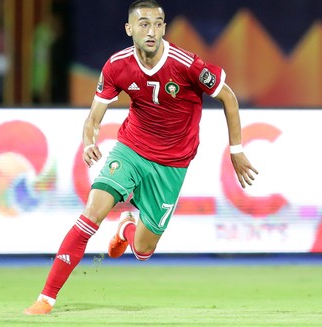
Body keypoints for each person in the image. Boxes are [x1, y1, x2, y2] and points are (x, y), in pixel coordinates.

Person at [24, 0, 258, 315]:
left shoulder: (187, 64)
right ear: (129, 28)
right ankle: (46, 298)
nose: (152, 31)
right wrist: (88, 141)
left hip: (172, 163)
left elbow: (228, 96)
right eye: (144, 24)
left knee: (143, 250)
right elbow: (94, 117)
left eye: (158, 24)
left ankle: (126, 228)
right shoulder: (117, 66)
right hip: (131, 149)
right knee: (91, 212)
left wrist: (236, 151)